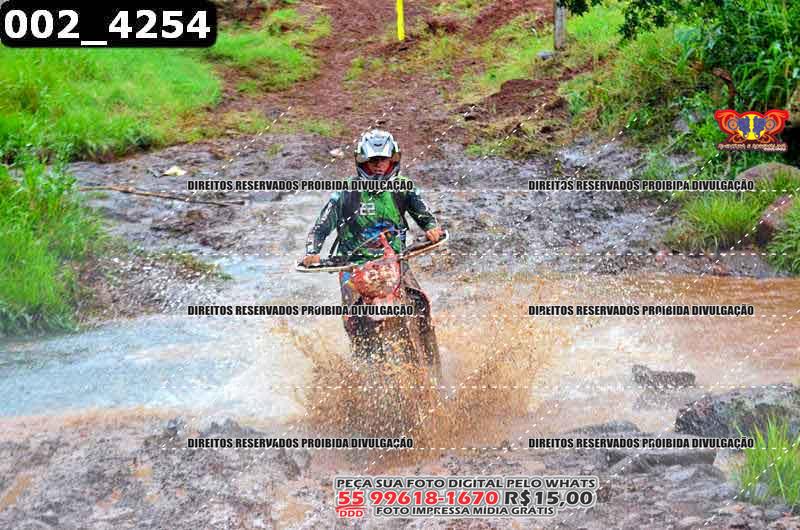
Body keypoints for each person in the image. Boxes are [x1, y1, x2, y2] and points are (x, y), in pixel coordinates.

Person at [301, 129, 443, 352]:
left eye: (383, 160)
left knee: (420, 304)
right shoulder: (346, 193)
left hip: (395, 262)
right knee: (355, 321)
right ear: (362, 162)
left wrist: (431, 228)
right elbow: (320, 228)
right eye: (373, 161)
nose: (378, 166)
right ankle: (363, 363)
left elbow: (426, 217)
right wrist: (312, 251)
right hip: (354, 267)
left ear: (392, 161)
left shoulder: (403, 188)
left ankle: (431, 358)